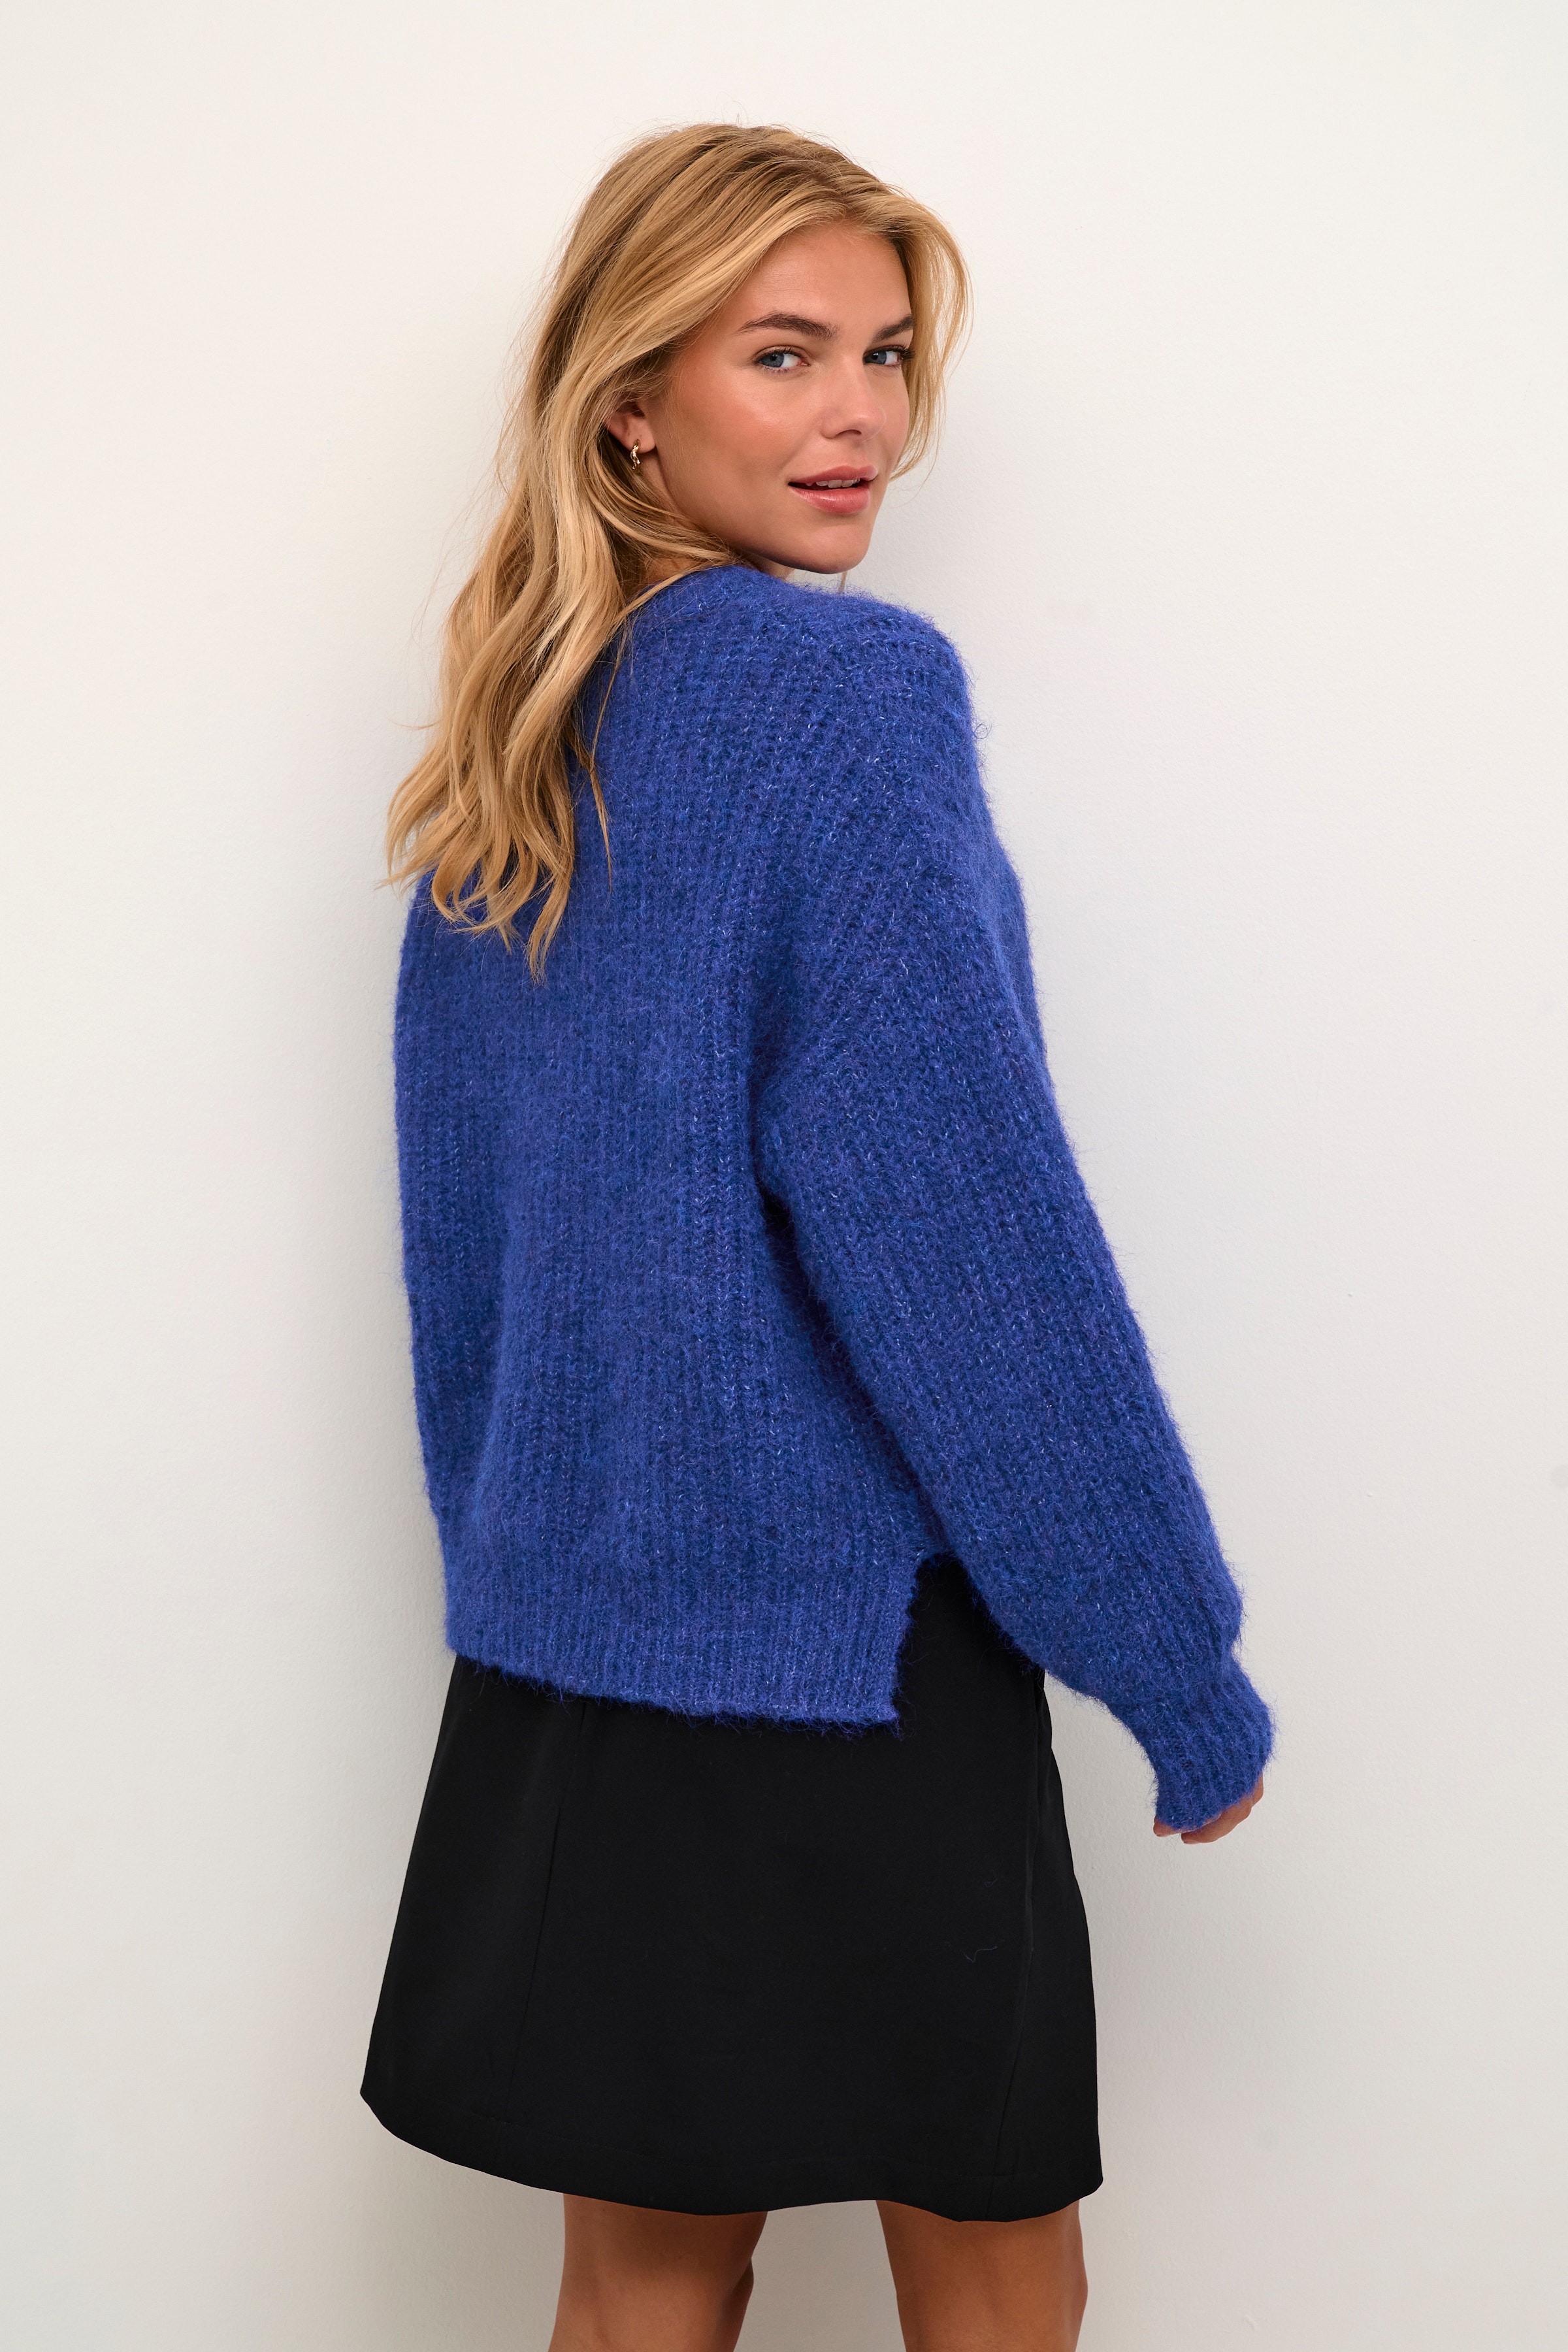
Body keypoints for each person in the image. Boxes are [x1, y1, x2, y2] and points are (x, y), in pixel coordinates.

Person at [361, 122, 1271, 2352]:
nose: (860, 413)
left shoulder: (520, 742)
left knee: (641, 2283)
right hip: (843, 1650)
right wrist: (1169, 1657)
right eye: (783, 354)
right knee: (995, 2265)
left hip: (582, 1654)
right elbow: (970, 1247)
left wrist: (530, 1566)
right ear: (628, 403)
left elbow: (470, 1271)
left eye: (883, 355)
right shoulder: (839, 701)